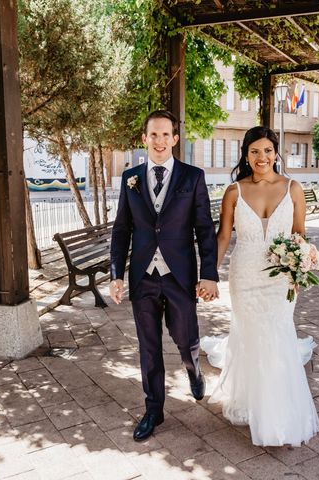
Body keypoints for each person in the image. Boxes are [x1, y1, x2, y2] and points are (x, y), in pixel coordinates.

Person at [201, 126, 319, 447]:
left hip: (281, 278)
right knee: (252, 336)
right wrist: (209, 274)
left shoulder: (293, 188)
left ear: (276, 153)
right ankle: (254, 402)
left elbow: (300, 235)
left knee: (278, 335)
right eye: (255, 151)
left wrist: (300, 267)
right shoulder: (234, 192)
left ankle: (278, 411)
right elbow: (223, 237)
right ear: (246, 154)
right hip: (245, 276)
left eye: (267, 150)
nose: (262, 157)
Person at [110, 110, 219, 442]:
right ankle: (153, 409)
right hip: (143, 277)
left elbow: (204, 230)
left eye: (165, 135)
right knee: (148, 346)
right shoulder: (130, 179)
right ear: (144, 139)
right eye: (152, 135)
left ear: (175, 139)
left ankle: (194, 369)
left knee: (185, 337)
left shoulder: (192, 177)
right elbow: (121, 230)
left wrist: (209, 274)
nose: (158, 141)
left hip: (179, 276)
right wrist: (116, 274)